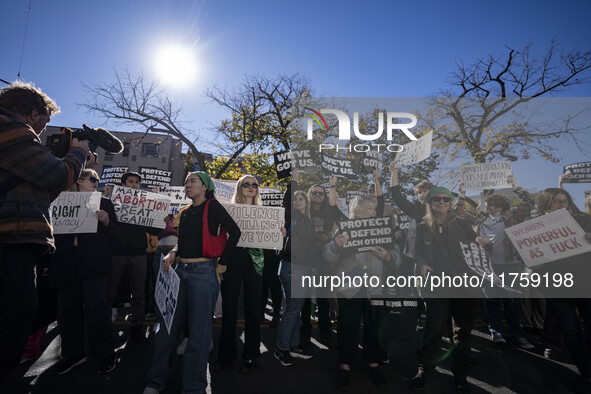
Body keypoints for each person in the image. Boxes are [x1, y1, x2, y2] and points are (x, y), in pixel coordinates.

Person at [0, 81, 90, 381]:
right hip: (10, 244)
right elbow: (57, 176)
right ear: (32, 113)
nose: (41, 132)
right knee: (16, 313)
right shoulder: (11, 130)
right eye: (44, 123)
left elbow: (42, 191)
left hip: (17, 239)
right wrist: (77, 154)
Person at [144, 172, 240, 394]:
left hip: (203, 274)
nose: (187, 185)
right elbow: (182, 241)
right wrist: (172, 254)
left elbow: (235, 233)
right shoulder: (185, 212)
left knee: (199, 334)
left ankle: (194, 387)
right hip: (179, 273)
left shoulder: (213, 206)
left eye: (193, 181)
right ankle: (155, 381)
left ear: (205, 186)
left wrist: (222, 264)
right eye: (186, 181)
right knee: (166, 330)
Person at [409, 187, 491, 394]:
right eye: (437, 199)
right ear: (430, 203)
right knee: (433, 330)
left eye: (446, 199)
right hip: (437, 285)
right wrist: (422, 265)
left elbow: (476, 250)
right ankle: (423, 371)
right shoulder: (421, 227)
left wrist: (484, 243)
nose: (442, 202)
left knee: (462, 333)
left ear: (450, 202)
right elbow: (416, 254)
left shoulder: (462, 223)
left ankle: (461, 376)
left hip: (464, 286)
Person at [324, 173, 396, 390]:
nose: (373, 211)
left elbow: (382, 204)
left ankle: (374, 364)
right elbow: (333, 209)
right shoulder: (345, 227)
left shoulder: (381, 228)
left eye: (374, 209)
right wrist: (333, 185)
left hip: (374, 286)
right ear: (355, 210)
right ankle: (345, 365)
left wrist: (388, 256)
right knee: (348, 326)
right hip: (350, 286)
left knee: (375, 326)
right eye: (369, 208)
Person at [50, 169, 119, 375]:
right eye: (92, 179)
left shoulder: (104, 203)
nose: (96, 183)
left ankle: (105, 353)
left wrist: (106, 221)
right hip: (66, 264)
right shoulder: (59, 201)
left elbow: (114, 233)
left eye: (97, 180)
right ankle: (73, 353)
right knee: (67, 311)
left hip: (94, 266)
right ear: (78, 180)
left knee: (97, 310)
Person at [215, 175, 280, 373]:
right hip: (232, 261)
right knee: (229, 309)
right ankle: (225, 355)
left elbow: (270, 240)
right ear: (239, 187)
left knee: (253, 310)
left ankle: (250, 354)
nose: (251, 187)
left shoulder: (266, 213)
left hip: (256, 263)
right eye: (247, 184)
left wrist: (279, 233)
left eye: (255, 185)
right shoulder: (229, 209)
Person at [464, 175, 535, 349]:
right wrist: (462, 193)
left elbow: (528, 204)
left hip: (509, 264)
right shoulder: (479, 219)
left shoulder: (510, 216)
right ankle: (496, 332)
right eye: (486, 205)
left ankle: (517, 335)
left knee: (511, 300)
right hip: (486, 265)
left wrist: (515, 185)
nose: (487, 206)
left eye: (490, 205)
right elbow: (459, 213)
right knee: (491, 299)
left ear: (500, 206)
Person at [536, 188, 591, 393]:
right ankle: (587, 374)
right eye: (557, 201)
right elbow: (526, 254)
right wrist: (534, 264)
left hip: (586, 283)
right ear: (546, 204)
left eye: (565, 201)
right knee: (571, 330)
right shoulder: (534, 228)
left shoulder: (582, 220)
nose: (562, 205)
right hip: (557, 284)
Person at [107, 171, 160, 345]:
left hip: (139, 254)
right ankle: (106, 322)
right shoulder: (111, 203)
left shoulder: (144, 205)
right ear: (123, 185)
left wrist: (161, 218)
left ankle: (137, 326)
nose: (134, 184)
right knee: (110, 291)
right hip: (116, 253)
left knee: (139, 293)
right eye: (131, 181)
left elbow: (155, 231)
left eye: (137, 182)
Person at [274, 170, 316, 367]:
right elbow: (287, 201)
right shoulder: (292, 216)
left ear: (307, 202)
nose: (298, 201)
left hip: (304, 268)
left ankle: (293, 344)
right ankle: (281, 349)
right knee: (292, 310)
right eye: (296, 199)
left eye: (302, 198)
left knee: (294, 309)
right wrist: (294, 180)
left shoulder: (307, 220)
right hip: (292, 267)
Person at [299, 183, 337, 348]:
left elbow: (334, 234)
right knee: (306, 299)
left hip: (323, 260)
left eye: (321, 193)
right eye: (314, 192)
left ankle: (325, 331)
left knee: (323, 298)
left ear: (324, 196)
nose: (317, 195)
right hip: (305, 258)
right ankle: (305, 332)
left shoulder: (329, 213)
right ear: (310, 194)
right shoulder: (304, 211)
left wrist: (327, 238)